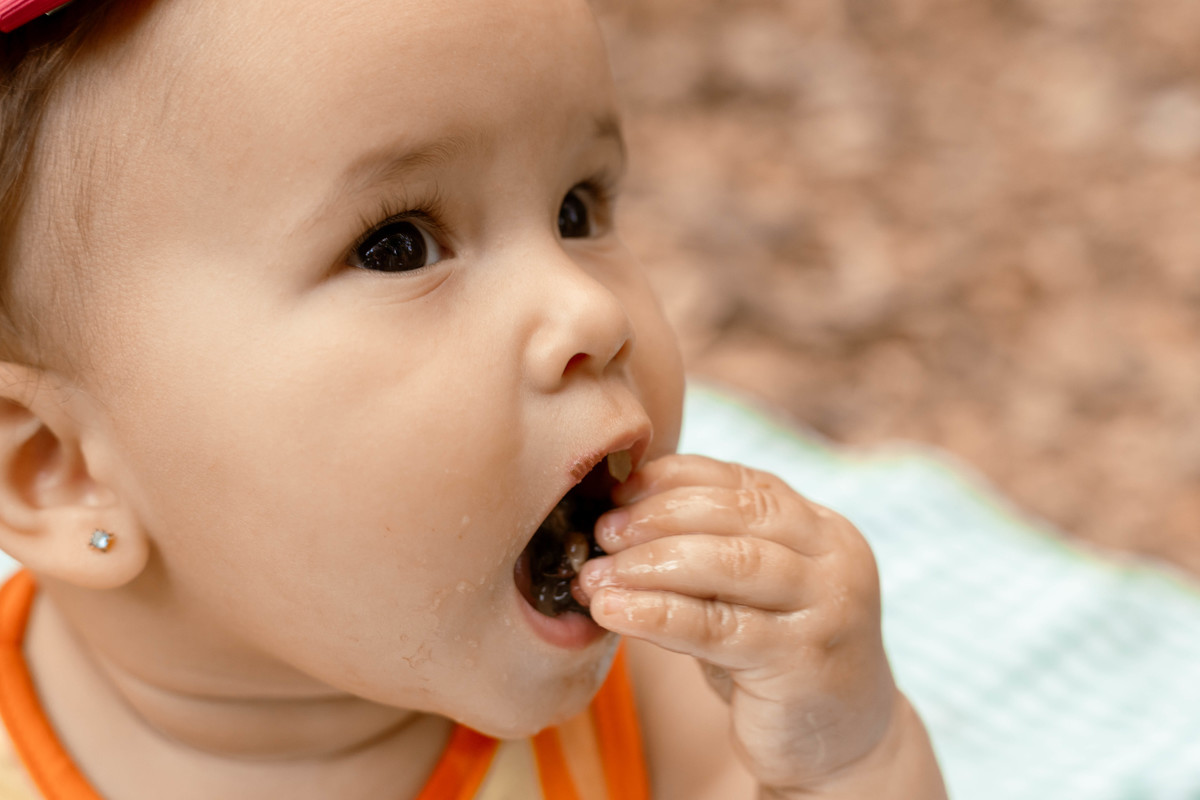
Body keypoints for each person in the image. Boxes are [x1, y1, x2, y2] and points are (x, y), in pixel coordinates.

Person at [0, 0, 946, 797]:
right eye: (398, 246)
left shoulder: (665, 694)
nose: (593, 309)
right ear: (59, 469)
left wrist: (845, 757)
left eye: (577, 208)